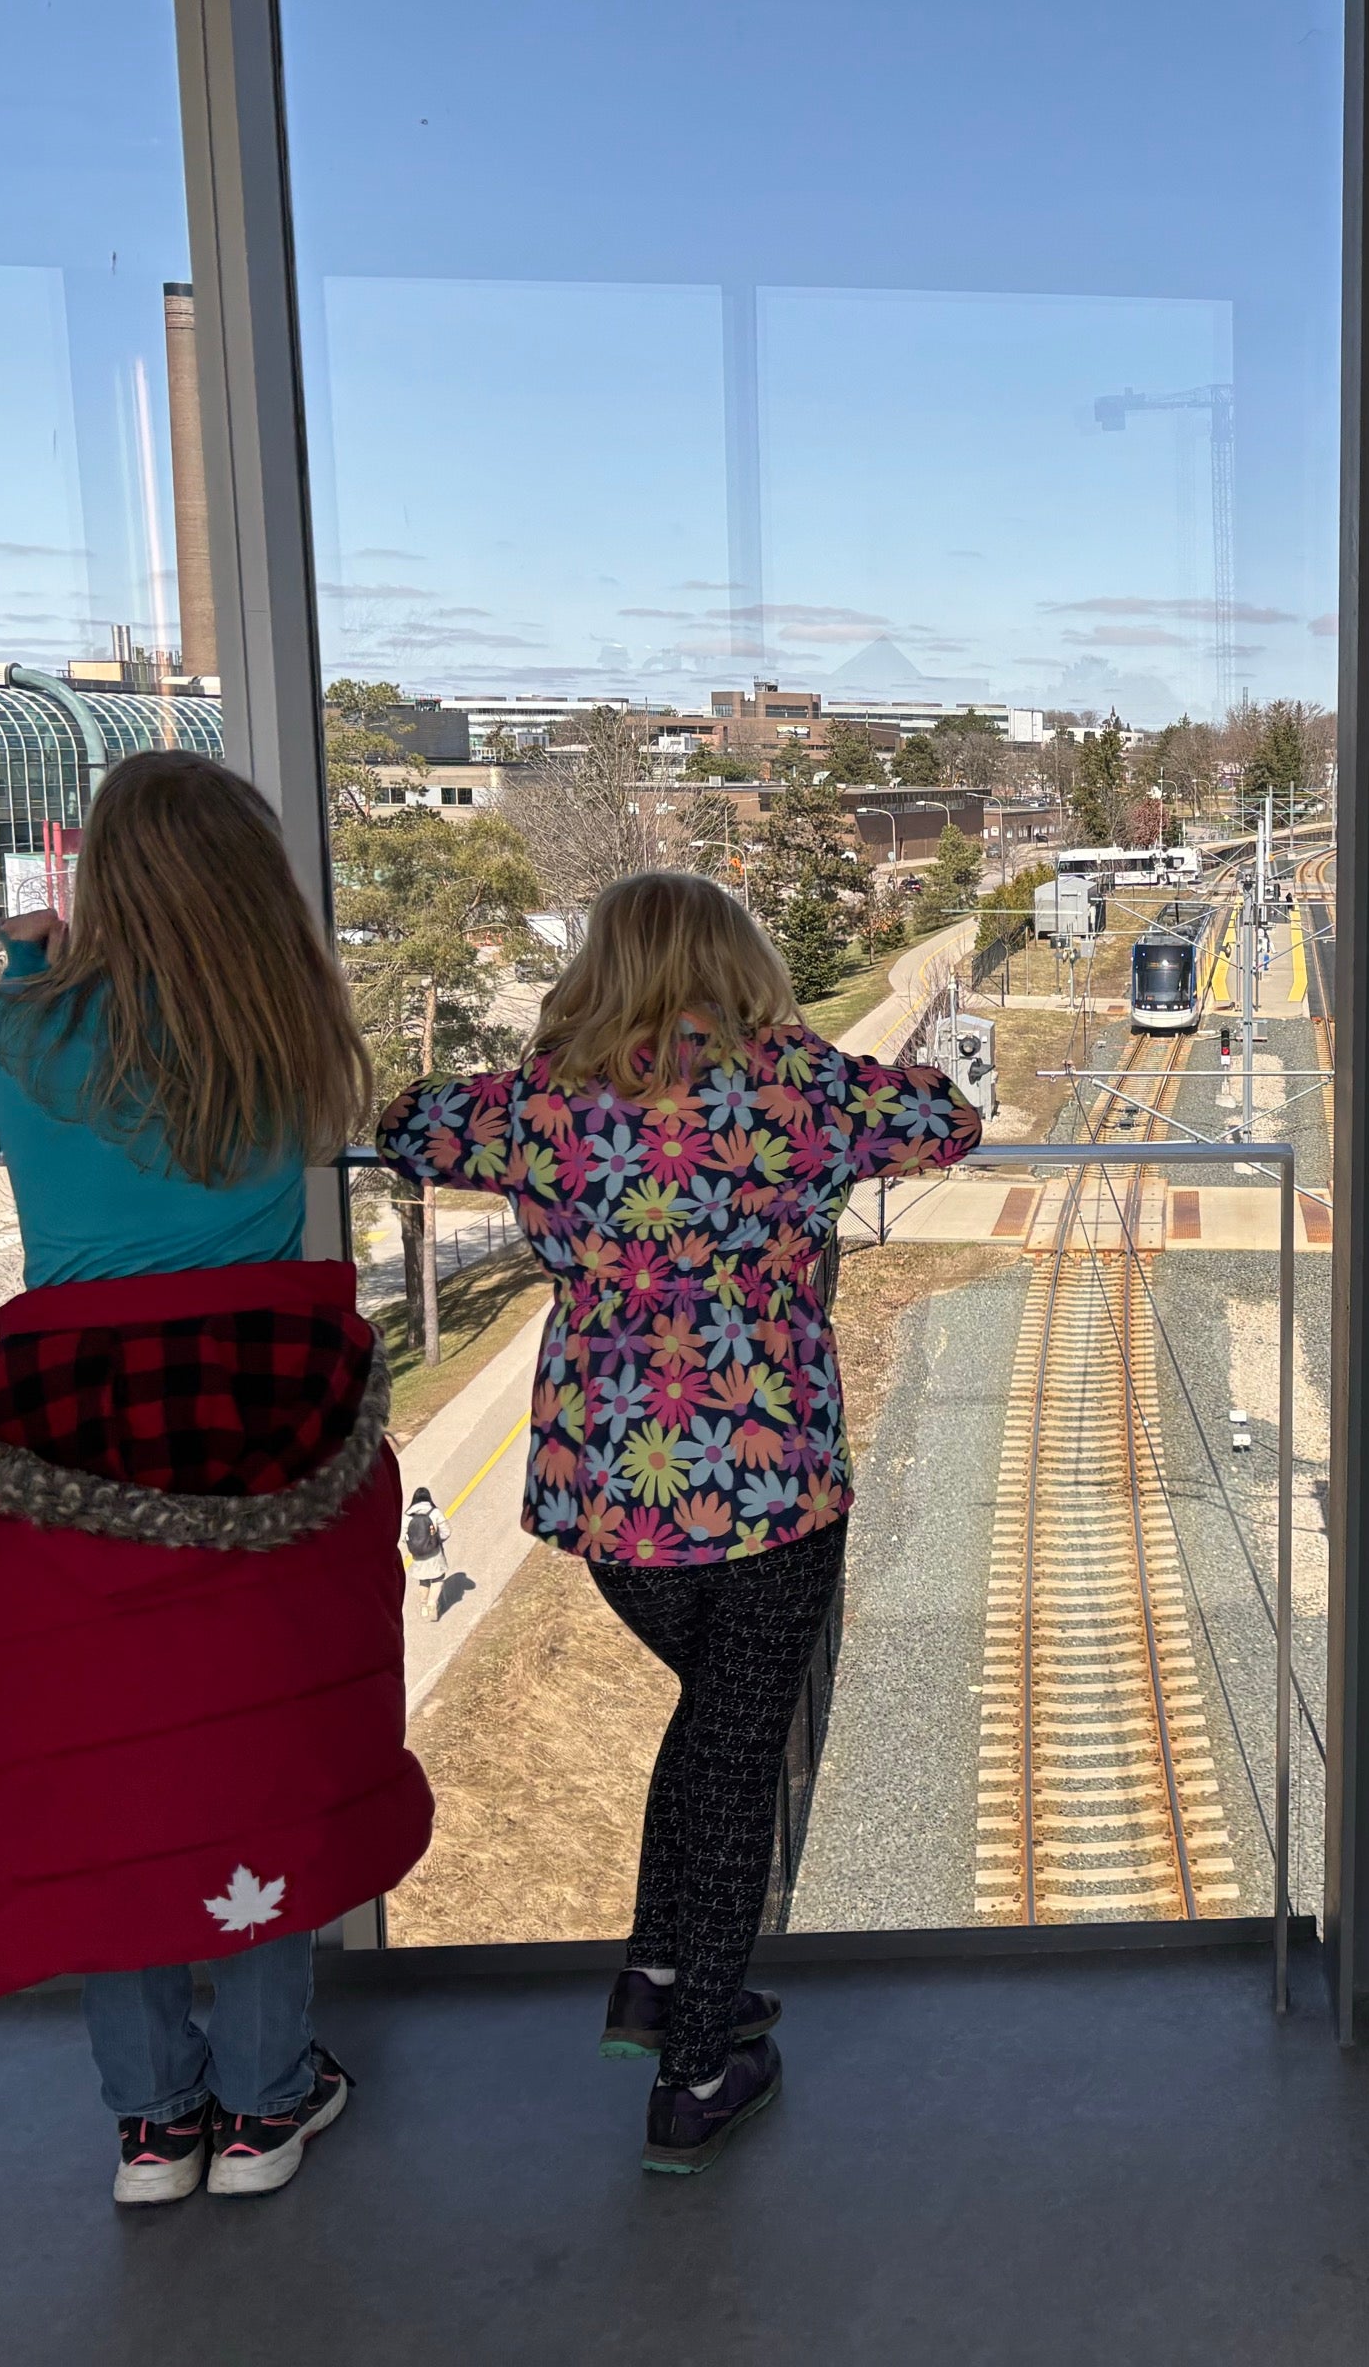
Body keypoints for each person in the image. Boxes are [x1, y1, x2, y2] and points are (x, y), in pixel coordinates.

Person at [379, 870, 981, 2173]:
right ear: (739, 962)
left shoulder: (543, 1098)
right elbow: (948, 1117)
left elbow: (405, 1126)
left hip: (608, 1488)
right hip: (771, 1480)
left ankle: (660, 1977)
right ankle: (699, 2070)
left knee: (715, 1725)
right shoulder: (794, 1085)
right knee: (736, 1747)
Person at [0, 749, 420, 2207]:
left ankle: (152, 2124)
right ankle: (265, 2104)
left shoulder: (17, 1029)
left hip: (72, 1427)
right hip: (268, 1410)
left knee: (101, 1773)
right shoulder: (290, 1026)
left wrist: (23, 969)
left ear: (99, 881)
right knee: (256, 1757)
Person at [403, 1485, 454, 1619]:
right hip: (434, 1553)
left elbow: (403, 1536)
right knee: (438, 1578)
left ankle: (423, 1605)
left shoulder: (408, 1515)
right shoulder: (434, 1512)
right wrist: (436, 1540)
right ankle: (432, 1603)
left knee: (423, 1580)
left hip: (417, 1555)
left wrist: (415, 1544)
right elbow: (446, 1531)